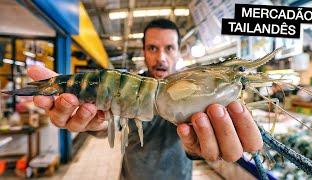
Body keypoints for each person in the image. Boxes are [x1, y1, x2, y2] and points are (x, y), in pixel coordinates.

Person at [27, 19, 263, 180]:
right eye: (152, 48)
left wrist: (201, 148)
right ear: (143, 52)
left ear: (178, 51)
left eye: (169, 48)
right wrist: (95, 124)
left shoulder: (191, 88)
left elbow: (196, 145)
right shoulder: (126, 85)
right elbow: (106, 124)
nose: (161, 57)